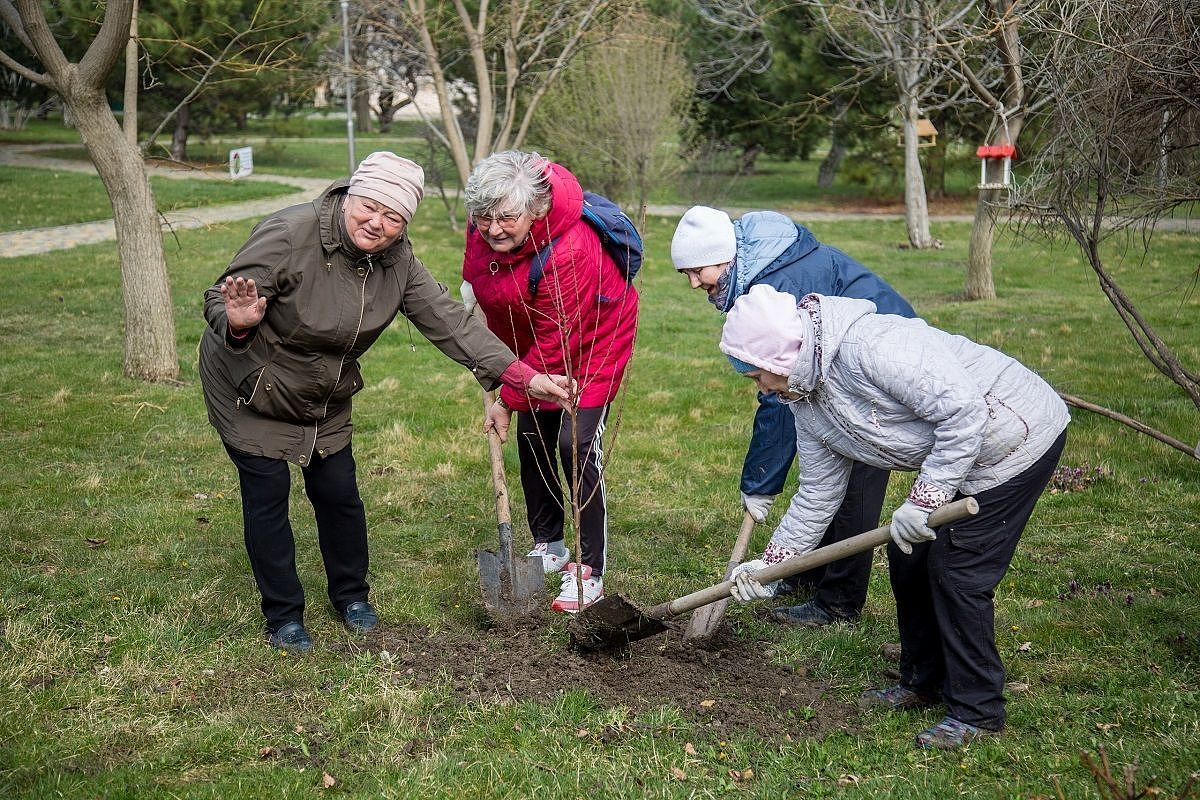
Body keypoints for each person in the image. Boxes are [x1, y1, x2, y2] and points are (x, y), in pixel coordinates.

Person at [199, 151, 571, 653]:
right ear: (350, 196)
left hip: (323, 392)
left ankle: (351, 597)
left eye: (393, 216)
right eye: (368, 207)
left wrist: (522, 377)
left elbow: (451, 323)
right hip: (250, 383)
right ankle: (284, 614)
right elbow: (219, 299)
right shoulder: (290, 233)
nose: (376, 222)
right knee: (267, 500)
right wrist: (239, 322)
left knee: (339, 494)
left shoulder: (397, 263)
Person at [720, 284, 1069, 749]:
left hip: (1015, 435)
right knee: (908, 559)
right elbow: (818, 492)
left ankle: (977, 710)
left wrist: (925, 500)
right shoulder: (805, 400)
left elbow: (964, 412)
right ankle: (921, 682)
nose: (760, 386)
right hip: (964, 452)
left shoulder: (872, 346)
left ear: (784, 354)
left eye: (756, 373)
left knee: (958, 573)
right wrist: (772, 564)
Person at [670, 206, 917, 627]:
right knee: (822, 472)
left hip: (884, 374)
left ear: (726, 258)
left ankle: (837, 603)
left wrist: (760, 482)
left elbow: (779, 398)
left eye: (698, 271)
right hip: (840, 368)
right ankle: (806, 574)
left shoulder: (781, 286)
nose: (695, 284)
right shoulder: (760, 271)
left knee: (854, 481)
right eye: (686, 275)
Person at [460, 151, 640, 613]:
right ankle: (550, 545)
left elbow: (558, 342)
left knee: (573, 442)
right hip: (529, 340)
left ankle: (589, 567)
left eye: (506, 218)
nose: (494, 229)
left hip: (593, 342)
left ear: (536, 209)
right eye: (484, 218)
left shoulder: (570, 249)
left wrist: (506, 394)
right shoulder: (484, 232)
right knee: (532, 436)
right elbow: (479, 282)